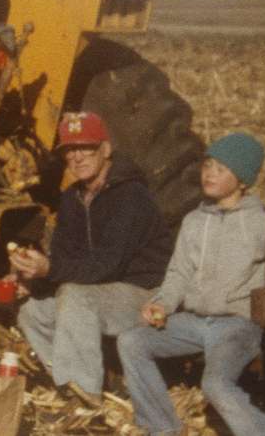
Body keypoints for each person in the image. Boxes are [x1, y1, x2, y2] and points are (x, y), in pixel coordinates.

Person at [116, 133, 265, 436]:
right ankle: (162, 427)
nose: (210, 174)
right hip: (192, 322)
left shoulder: (262, 223)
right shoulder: (194, 221)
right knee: (132, 342)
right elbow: (178, 272)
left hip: (236, 325)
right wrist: (162, 304)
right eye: (208, 166)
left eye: (221, 169)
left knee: (215, 384)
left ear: (243, 180)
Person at [11, 111, 173, 408]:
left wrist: (49, 269)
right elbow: (64, 257)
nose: (77, 157)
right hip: (100, 292)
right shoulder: (72, 198)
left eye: (85, 147)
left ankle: (84, 404)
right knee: (33, 313)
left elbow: (107, 264)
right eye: (69, 150)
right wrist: (33, 280)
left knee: (75, 297)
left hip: (144, 295)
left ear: (106, 150)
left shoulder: (131, 196)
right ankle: (71, 387)